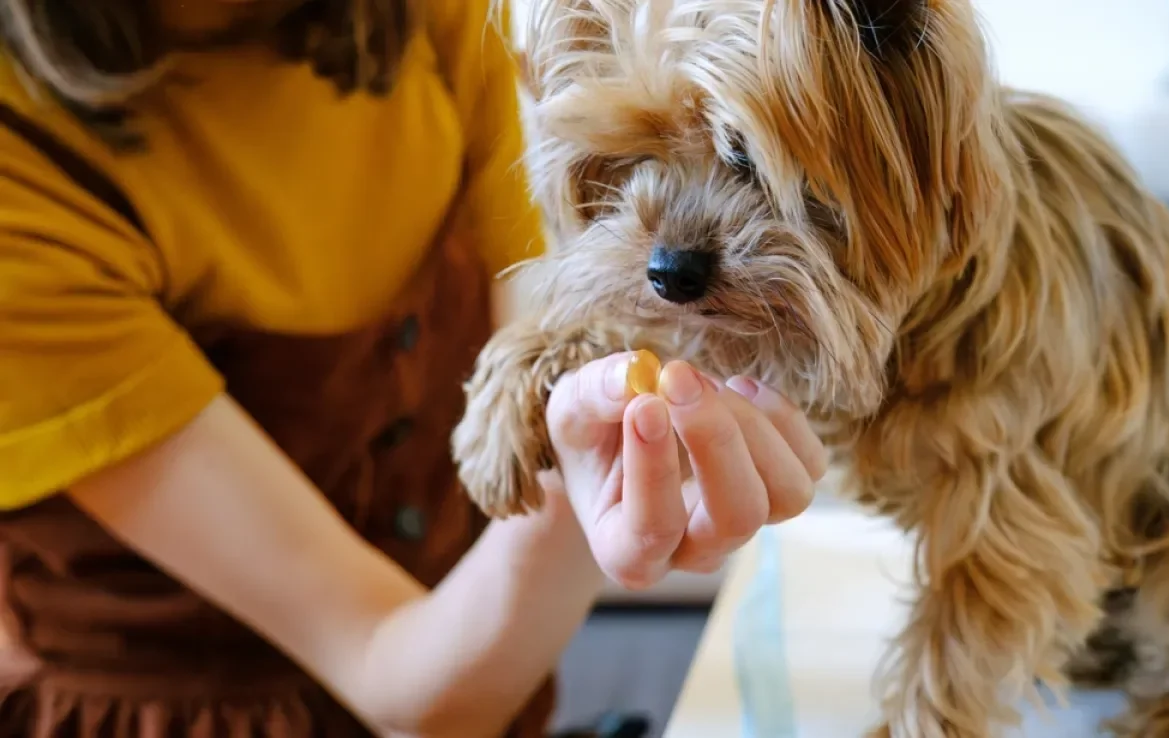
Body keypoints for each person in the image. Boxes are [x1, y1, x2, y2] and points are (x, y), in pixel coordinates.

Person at [0, 1, 828, 736]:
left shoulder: (415, 19)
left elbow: (557, 313)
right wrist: (578, 494)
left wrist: (593, 430)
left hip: (482, 655)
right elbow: (391, 670)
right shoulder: (22, 175)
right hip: (191, 705)